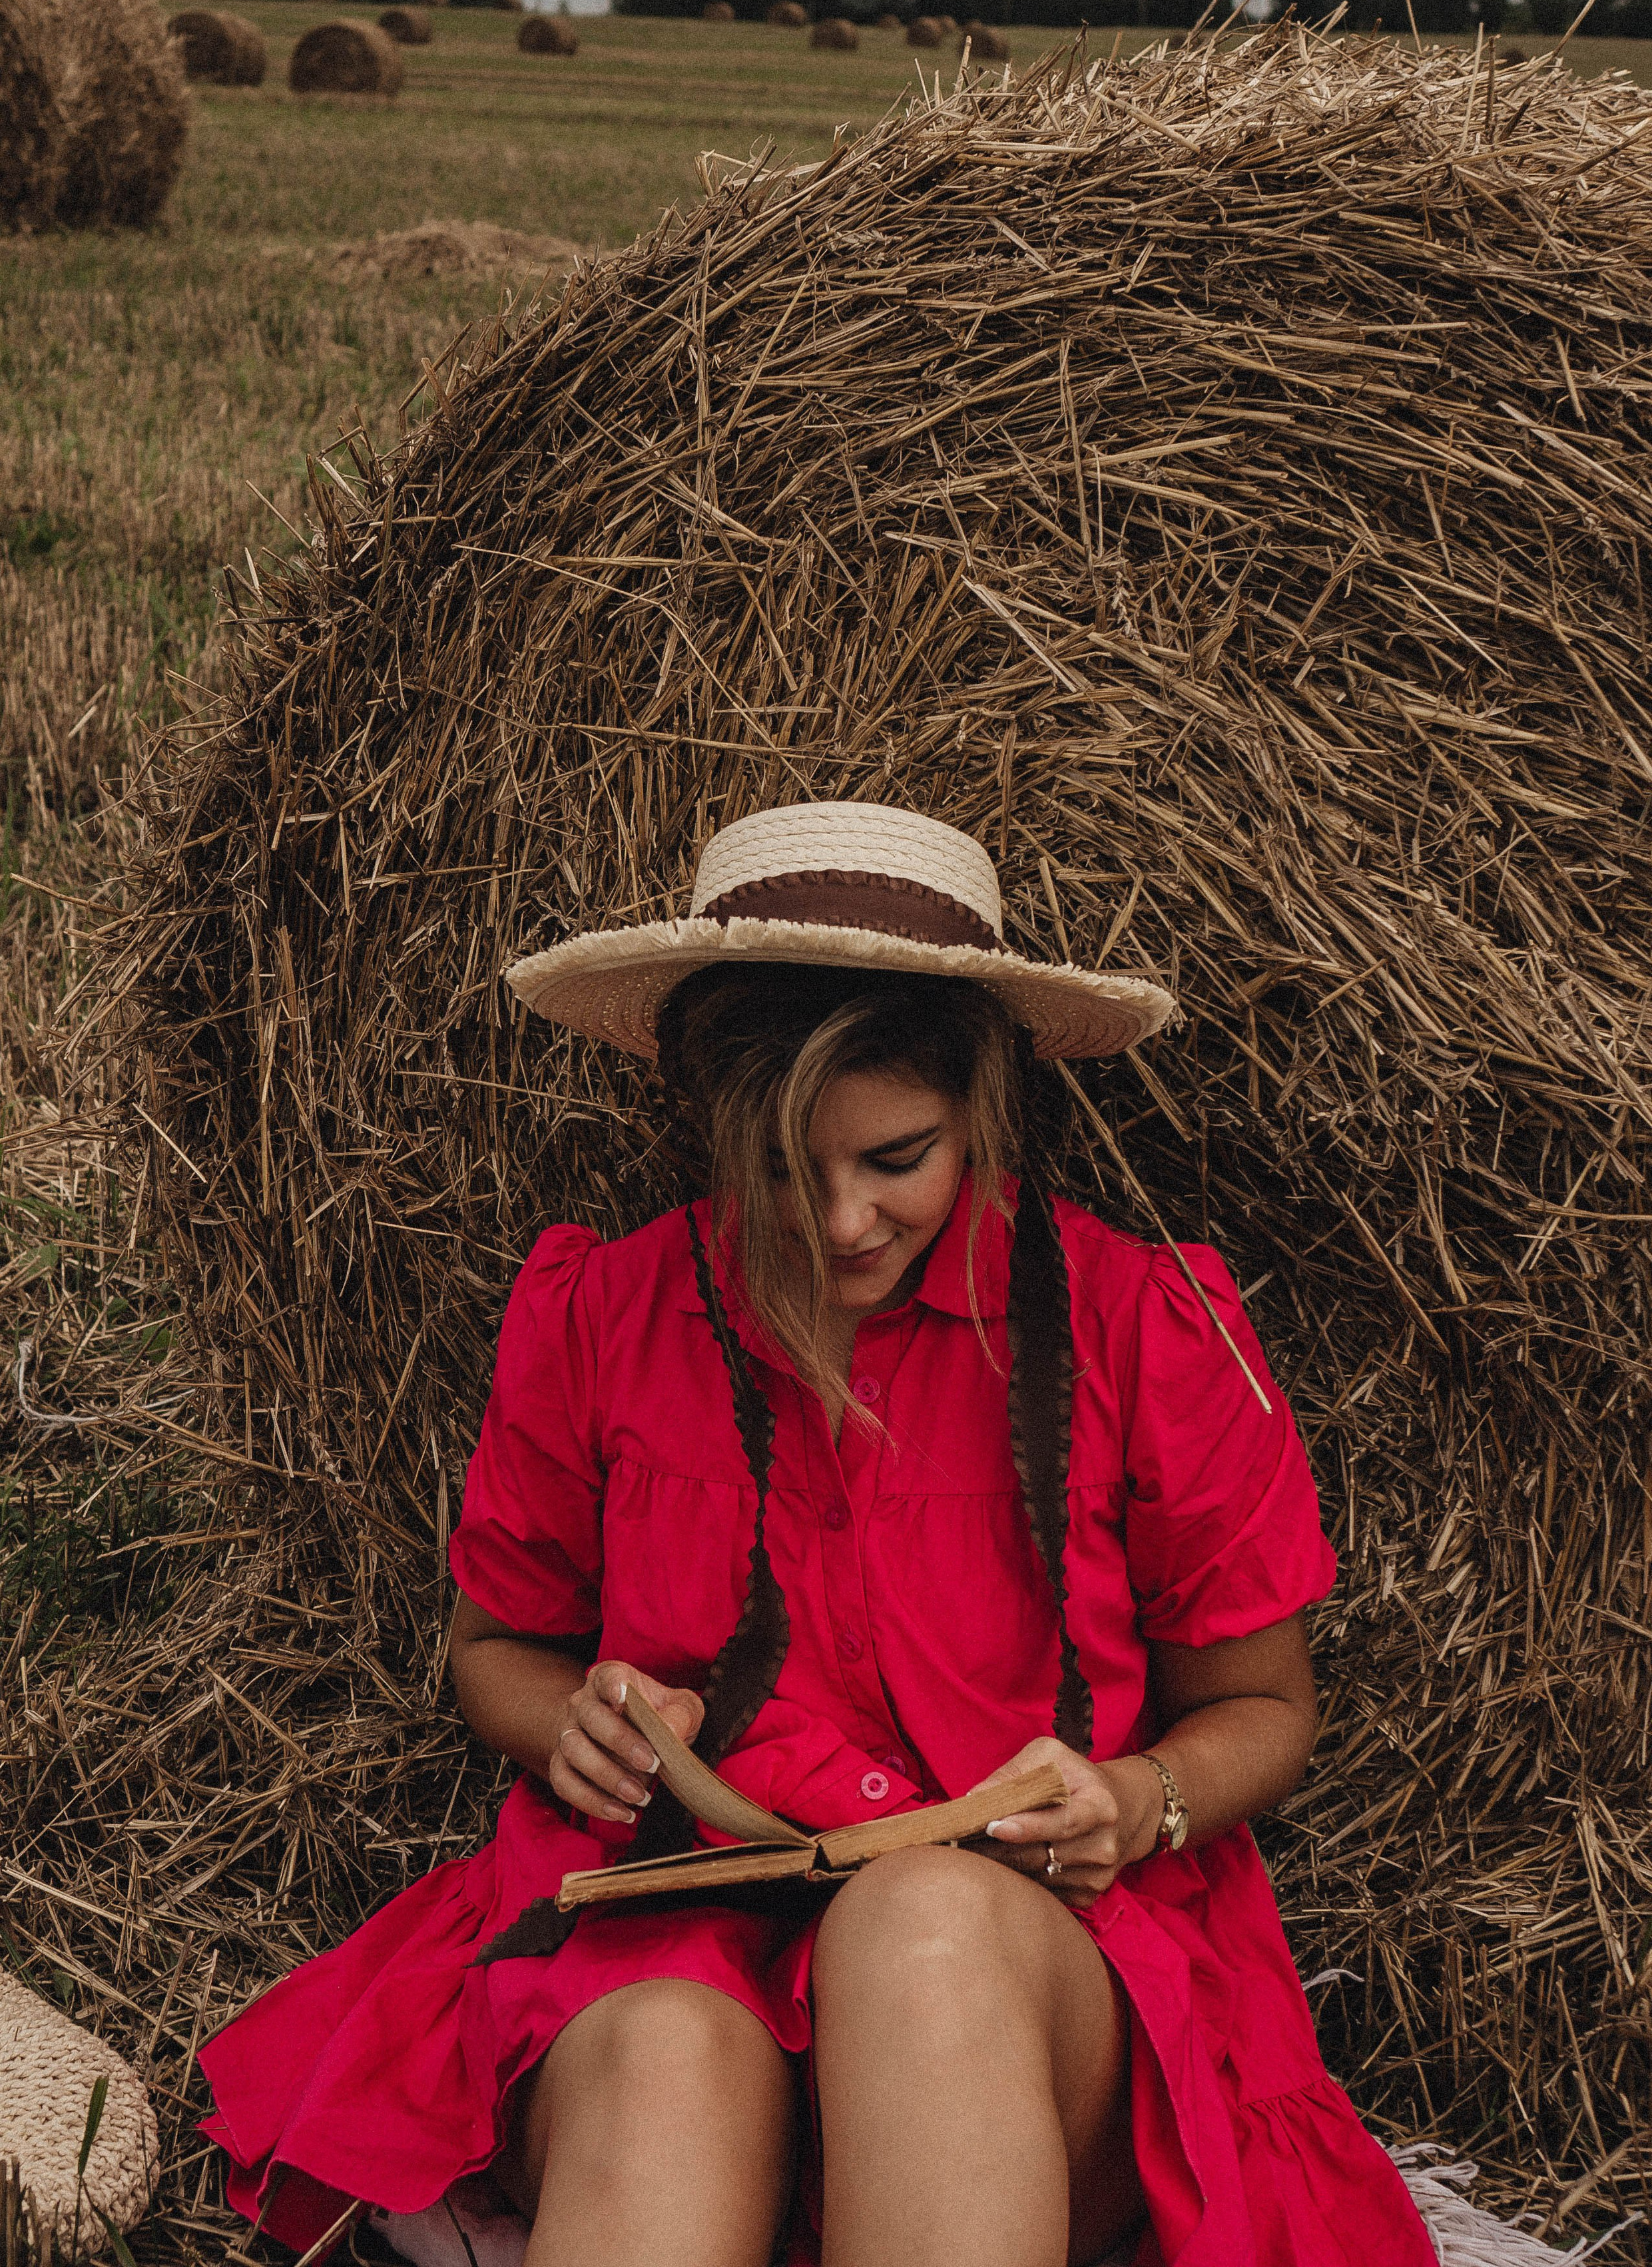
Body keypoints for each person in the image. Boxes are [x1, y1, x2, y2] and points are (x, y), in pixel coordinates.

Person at [199, 800, 1432, 2267]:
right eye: (782, 1171)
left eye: (895, 1157)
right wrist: (567, 1724)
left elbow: (1260, 1704)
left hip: (1022, 1970)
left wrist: (1137, 1799)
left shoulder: (1134, 1329)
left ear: (982, 1106)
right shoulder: (604, 1316)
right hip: (669, 1928)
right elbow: (495, 1650)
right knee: (662, 2053)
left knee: (919, 1930)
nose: (843, 1223)